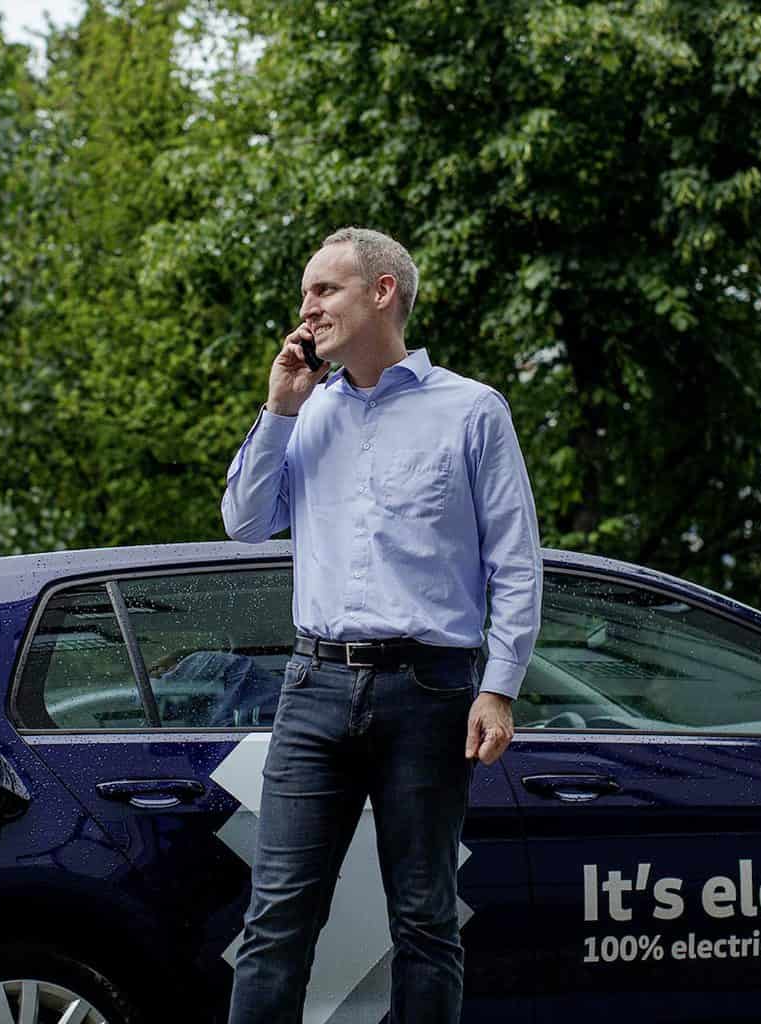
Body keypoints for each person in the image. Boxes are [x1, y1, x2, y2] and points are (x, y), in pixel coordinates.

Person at [221, 227, 542, 1023]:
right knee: (275, 923)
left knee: (426, 918)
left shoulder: (471, 410)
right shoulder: (306, 414)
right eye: (306, 296)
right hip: (314, 686)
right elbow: (245, 522)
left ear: (382, 292)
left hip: (430, 693)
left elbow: (516, 561)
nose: (307, 309)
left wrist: (498, 689)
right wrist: (278, 410)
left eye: (323, 290)